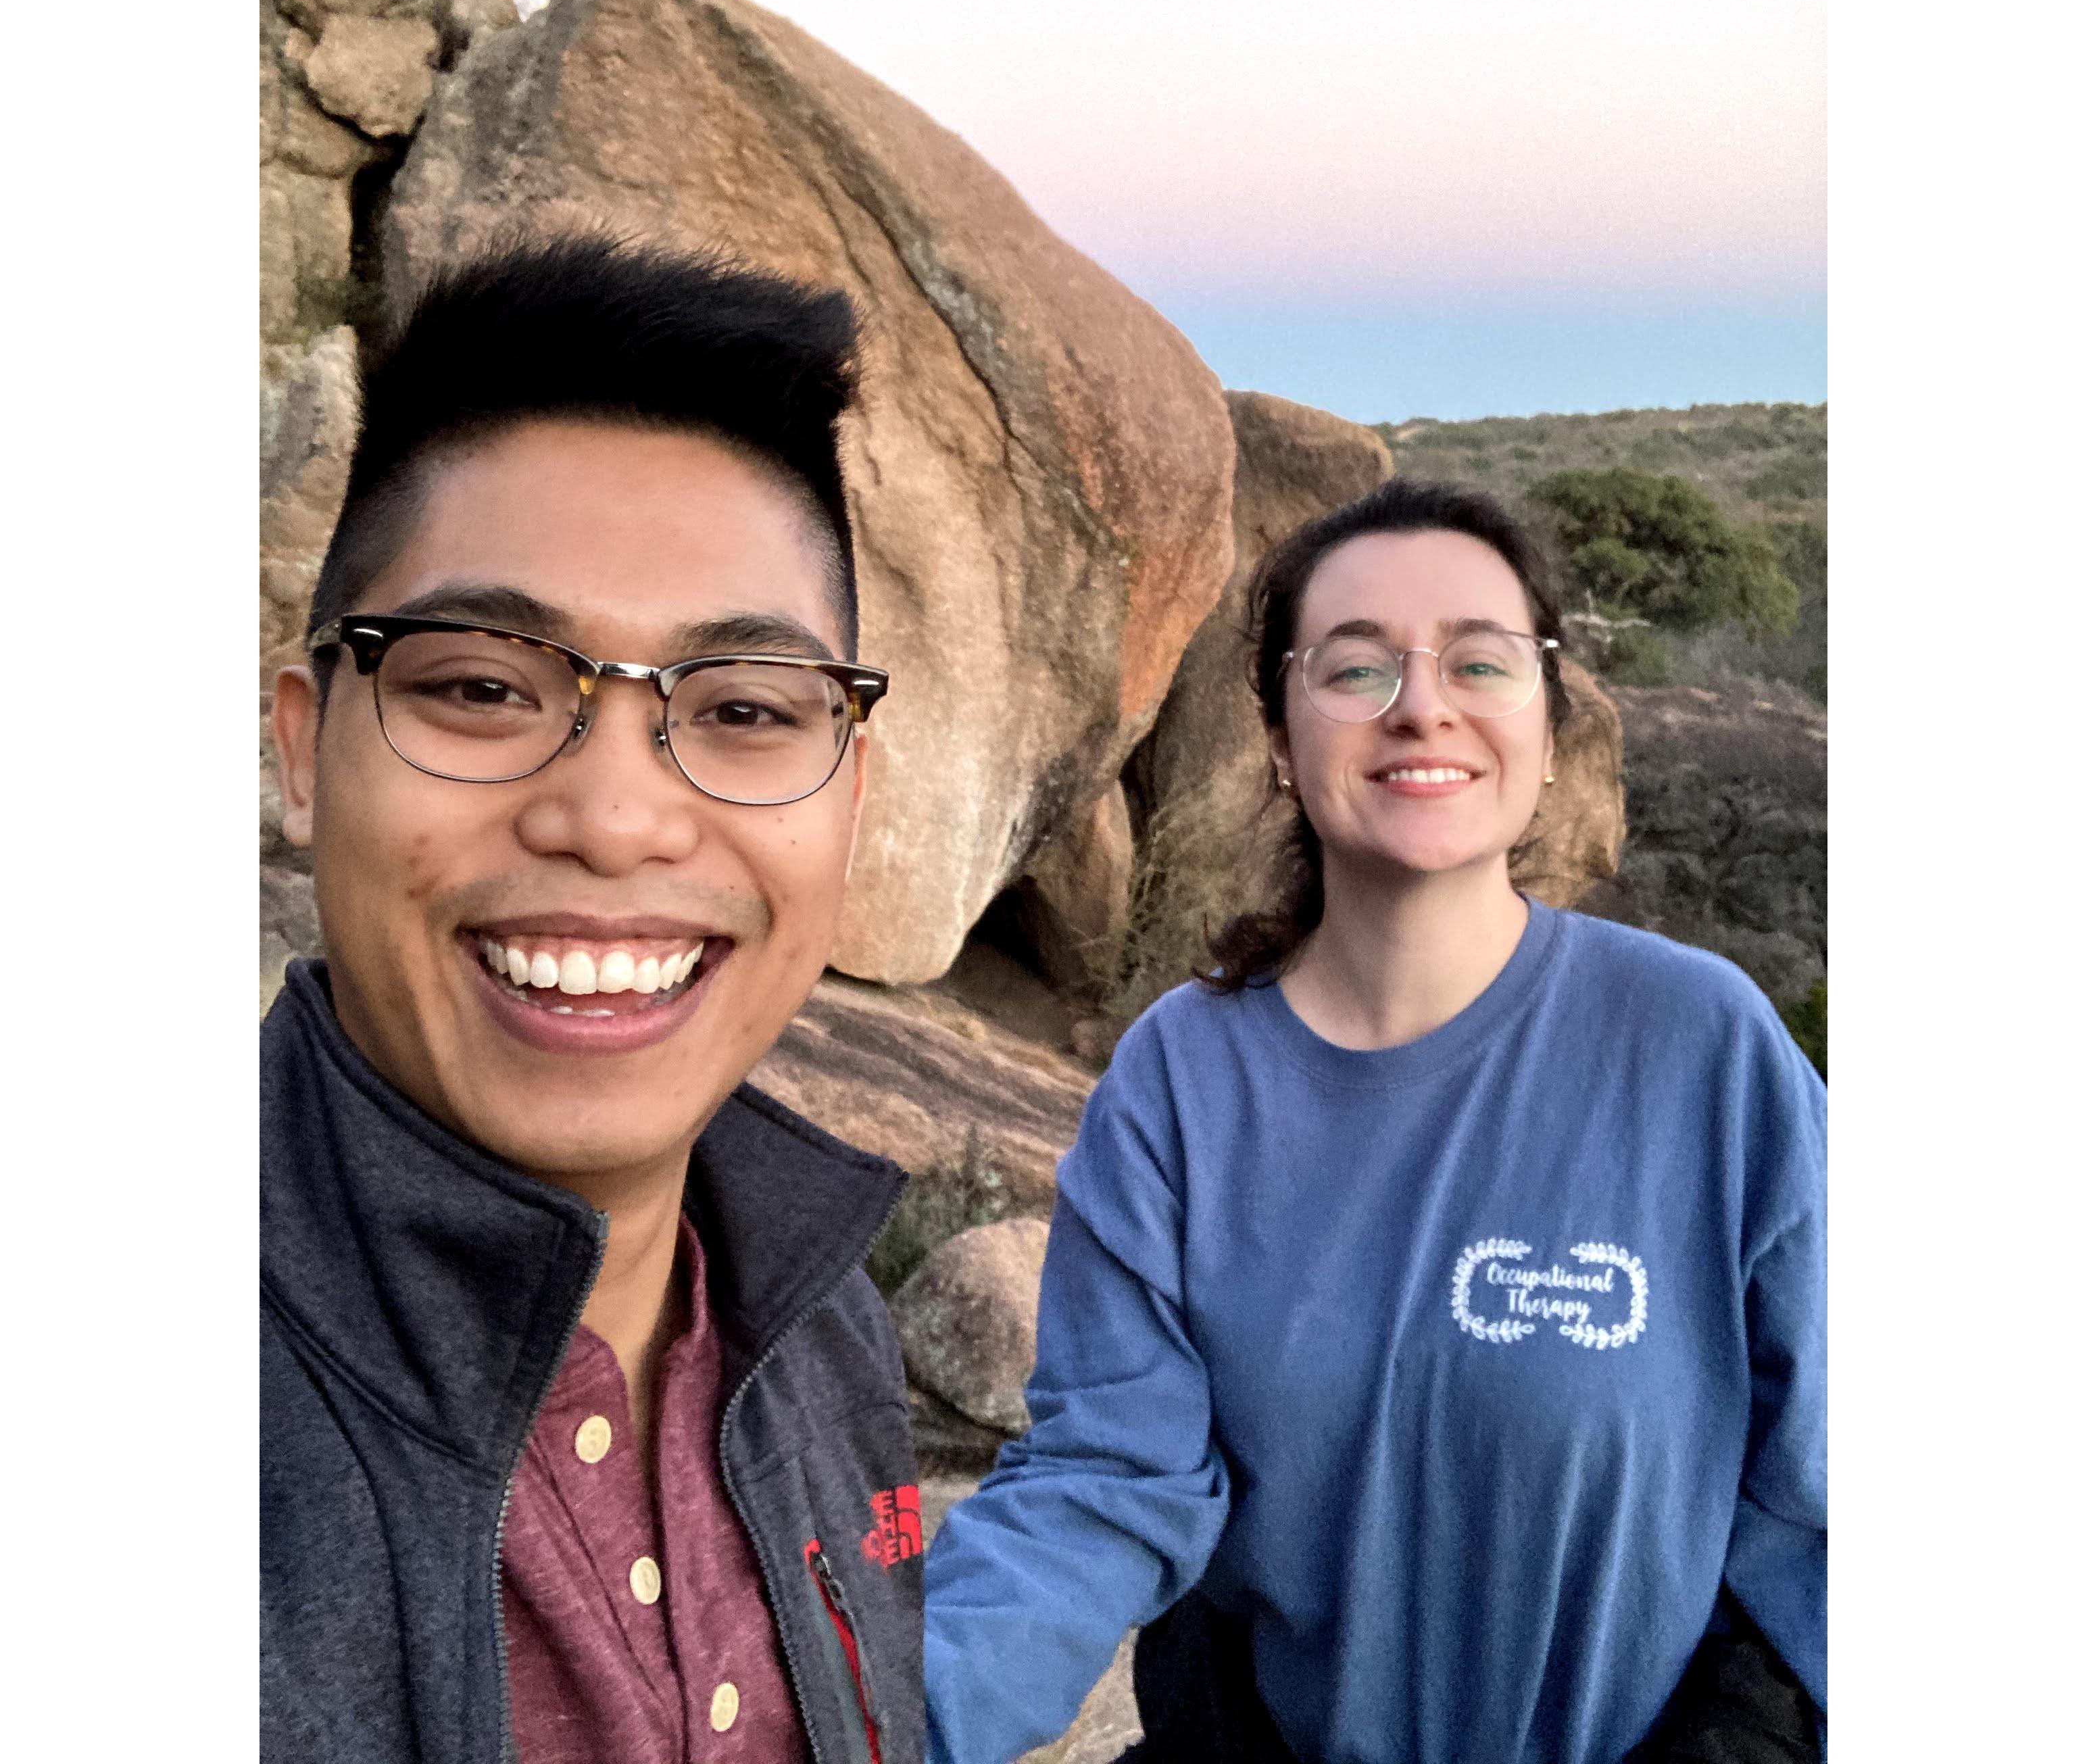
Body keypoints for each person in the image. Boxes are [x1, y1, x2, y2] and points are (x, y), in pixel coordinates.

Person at [923, 479, 1825, 1764]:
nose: (1421, 703)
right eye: (1356, 669)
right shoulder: (1182, 1079)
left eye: (1481, 660)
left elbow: (1831, 1492)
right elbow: (1106, 1480)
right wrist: (872, 1716)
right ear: (1283, 742)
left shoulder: (1705, 1049)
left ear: (1552, 725)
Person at [262, 233, 926, 1764]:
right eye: (485, 685)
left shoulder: (821, 1325)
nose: (615, 818)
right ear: (303, 751)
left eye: (748, 710)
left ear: (848, 790)